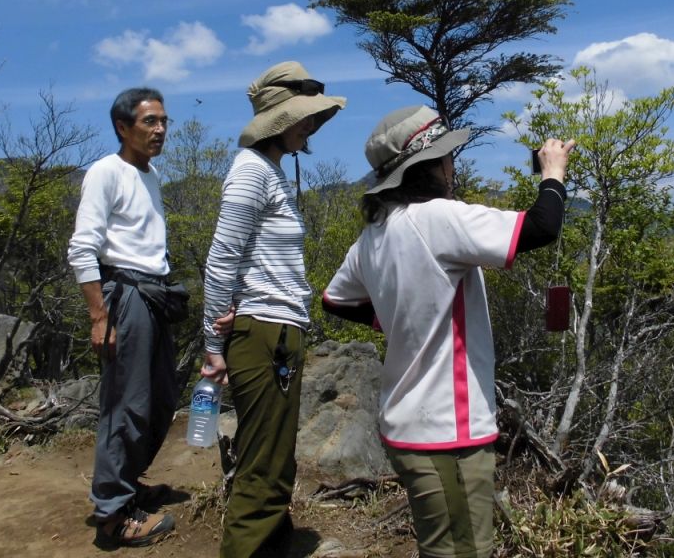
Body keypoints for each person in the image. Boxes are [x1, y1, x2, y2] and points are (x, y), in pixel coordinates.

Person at [322, 105, 574, 558]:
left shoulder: (374, 234)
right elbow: (542, 226)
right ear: (429, 166)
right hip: (447, 434)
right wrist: (552, 173)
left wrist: (398, 319)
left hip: (409, 425)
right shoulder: (439, 218)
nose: (452, 165)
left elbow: (335, 300)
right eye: (447, 156)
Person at [201, 61, 346, 558]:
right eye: (302, 117)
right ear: (278, 121)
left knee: (275, 457)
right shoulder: (250, 171)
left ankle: (274, 544)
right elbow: (222, 256)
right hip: (263, 332)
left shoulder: (271, 171)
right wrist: (212, 346)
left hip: (276, 327)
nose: (310, 125)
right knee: (263, 463)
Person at [67, 87, 179, 549]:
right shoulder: (105, 172)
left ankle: (128, 483)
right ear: (122, 127)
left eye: (163, 121)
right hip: (125, 295)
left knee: (161, 399)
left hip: (154, 293)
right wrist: (99, 315)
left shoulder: (150, 175)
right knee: (126, 404)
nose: (160, 130)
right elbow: (82, 246)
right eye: (150, 122)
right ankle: (113, 516)